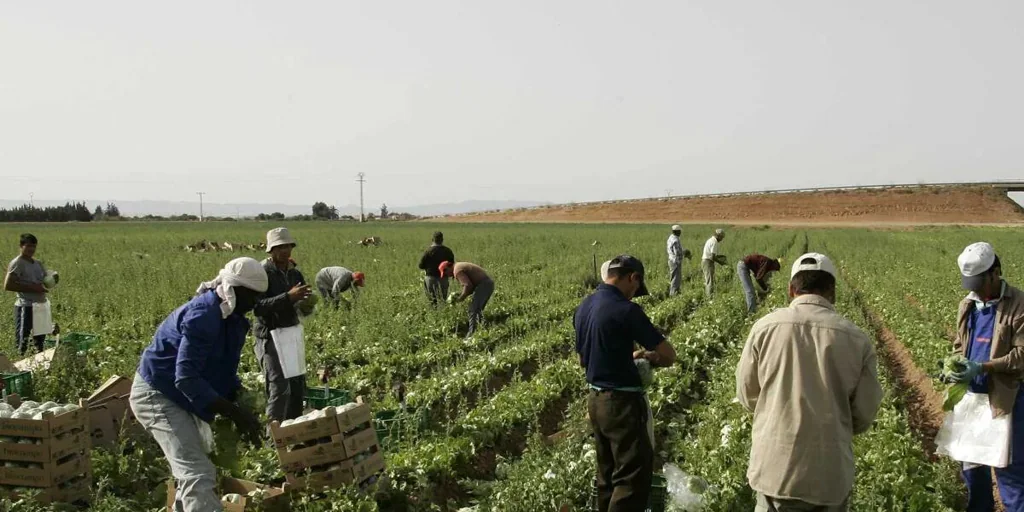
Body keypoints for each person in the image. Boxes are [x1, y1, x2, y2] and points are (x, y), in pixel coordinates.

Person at [736, 253, 882, 512]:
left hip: (774, 473)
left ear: (792, 290)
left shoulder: (764, 328)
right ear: (833, 291)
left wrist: (775, 411)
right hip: (829, 477)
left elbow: (747, 395)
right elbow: (864, 412)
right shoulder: (857, 339)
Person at [130, 257, 267, 512]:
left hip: (180, 394)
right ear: (235, 288)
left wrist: (240, 397)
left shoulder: (233, 319)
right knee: (197, 471)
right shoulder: (204, 314)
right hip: (157, 395)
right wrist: (235, 413)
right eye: (253, 296)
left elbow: (223, 370)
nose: (255, 304)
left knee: (193, 470)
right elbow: (186, 377)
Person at [574, 255, 677, 512]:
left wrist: (626, 356)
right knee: (631, 476)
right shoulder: (626, 310)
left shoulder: (585, 306)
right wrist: (649, 357)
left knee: (606, 474)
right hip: (622, 404)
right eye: (635, 288)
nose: (633, 294)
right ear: (633, 278)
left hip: (595, 401)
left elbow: (583, 359)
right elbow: (668, 355)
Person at [950, 242, 1024, 510]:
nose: (975, 290)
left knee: (1011, 476)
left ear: (996, 272)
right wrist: (955, 363)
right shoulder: (967, 305)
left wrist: (983, 367)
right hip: (972, 400)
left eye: (980, 283)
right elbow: (961, 344)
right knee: (972, 471)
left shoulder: (1018, 304)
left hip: (1006, 401)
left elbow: (1021, 356)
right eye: (971, 284)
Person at [253, 227, 312, 424]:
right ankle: (275, 438)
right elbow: (257, 307)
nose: (285, 251)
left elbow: (301, 306)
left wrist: (306, 304)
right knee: (279, 386)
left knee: (296, 385)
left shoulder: (295, 274)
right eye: (280, 247)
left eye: (288, 246)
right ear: (270, 250)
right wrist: (288, 297)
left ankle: (294, 432)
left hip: (291, 333)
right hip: (269, 335)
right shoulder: (262, 274)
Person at [4, 234, 51, 355]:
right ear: (21, 246)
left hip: (41, 305)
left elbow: (43, 280)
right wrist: (32, 288)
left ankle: (37, 368)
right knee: (23, 342)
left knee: (40, 342)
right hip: (26, 306)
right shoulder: (17, 263)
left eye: (34, 246)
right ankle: (19, 366)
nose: (31, 249)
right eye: (28, 246)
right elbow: (8, 285)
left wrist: (50, 281)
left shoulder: (37, 263)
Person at [441, 261, 494, 337]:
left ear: (447, 268)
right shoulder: (459, 266)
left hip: (483, 285)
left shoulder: (457, 271)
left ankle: (471, 334)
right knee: (478, 310)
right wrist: (462, 294)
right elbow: (470, 286)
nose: (447, 276)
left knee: (473, 309)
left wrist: (461, 298)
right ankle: (482, 330)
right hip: (487, 284)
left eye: (445, 273)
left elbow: (468, 286)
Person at [418, 231, 455, 306]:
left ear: (432, 239)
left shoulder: (428, 251)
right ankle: (442, 315)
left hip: (430, 278)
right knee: (442, 301)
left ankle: (435, 314)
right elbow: (452, 265)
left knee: (432, 301)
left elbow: (421, 265)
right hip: (444, 278)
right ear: (442, 240)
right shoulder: (448, 251)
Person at [701, 229, 727, 297]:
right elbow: (713, 257)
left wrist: (720, 256)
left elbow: (713, 254)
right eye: (721, 237)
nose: (722, 239)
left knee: (709, 280)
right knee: (710, 281)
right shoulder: (714, 242)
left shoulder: (710, 240)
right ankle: (709, 298)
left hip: (706, 261)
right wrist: (721, 263)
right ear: (718, 236)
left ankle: (709, 295)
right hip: (708, 262)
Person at [666, 225, 690, 296]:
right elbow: (677, 252)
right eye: (679, 231)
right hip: (675, 262)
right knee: (676, 279)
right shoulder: (676, 240)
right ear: (677, 232)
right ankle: (673, 294)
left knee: (674, 277)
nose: (680, 233)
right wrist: (685, 252)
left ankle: (675, 292)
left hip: (671, 259)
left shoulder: (670, 237)